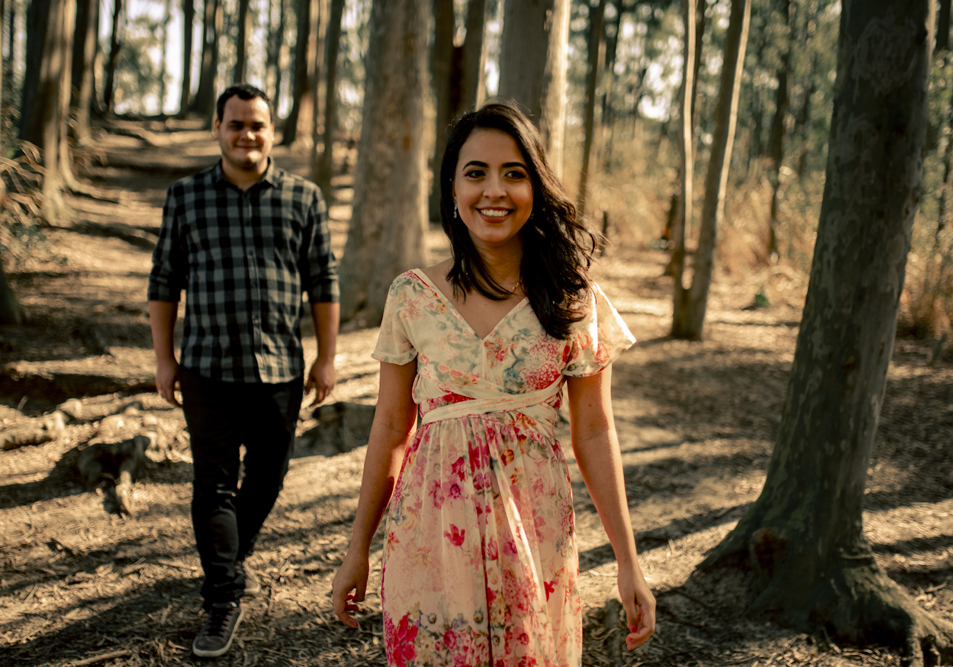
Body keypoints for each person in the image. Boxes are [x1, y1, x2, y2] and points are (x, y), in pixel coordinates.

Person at [330, 102, 655, 666]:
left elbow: (596, 432)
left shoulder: (572, 300)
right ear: (452, 188)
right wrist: (357, 547)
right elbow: (389, 428)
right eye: (475, 172)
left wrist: (629, 560)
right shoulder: (412, 296)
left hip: (535, 532)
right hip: (429, 535)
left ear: (536, 185)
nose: (494, 191)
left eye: (514, 173)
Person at [148, 83, 340, 658]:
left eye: (257, 124)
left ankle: (227, 555)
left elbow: (322, 283)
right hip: (207, 366)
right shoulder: (186, 197)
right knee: (212, 485)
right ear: (217, 128)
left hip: (280, 366)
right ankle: (222, 597)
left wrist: (328, 357)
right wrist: (164, 359)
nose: (246, 134)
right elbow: (164, 282)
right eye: (236, 124)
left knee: (268, 478)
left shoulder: (304, 198)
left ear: (272, 131)